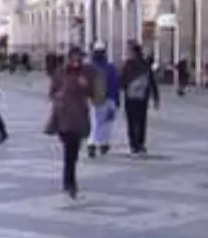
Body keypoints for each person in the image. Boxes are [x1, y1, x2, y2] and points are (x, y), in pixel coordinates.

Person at [46, 46, 105, 199]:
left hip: (79, 116)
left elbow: (97, 96)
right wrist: (59, 95)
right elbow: (52, 92)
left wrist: (87, 86)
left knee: (73, 152)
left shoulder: (88, 73)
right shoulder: (60, 72)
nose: (76, 60)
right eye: (74, 57)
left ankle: (69, 182)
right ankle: (70, 182)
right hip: (62, 115)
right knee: (68, 151)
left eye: (79, 57)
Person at [119, 42, 159, 155]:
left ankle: (134, 145)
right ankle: (140, 143)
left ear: (133, 52)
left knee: (132, 122)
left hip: (130, 98)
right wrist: (155, 98)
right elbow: (152, 82)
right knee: (141, 121)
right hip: (142, 98)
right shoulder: (145, 65)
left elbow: (122, 81)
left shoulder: (128, 64)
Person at [87, 44, 120, 158]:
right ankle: (103, 143)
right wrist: (116, 99)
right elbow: (115, 84)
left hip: (92, 99)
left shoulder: (89, 67)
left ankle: (92, 143)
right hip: (108, 98)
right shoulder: (110, 67)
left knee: (94, 121)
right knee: (107, 122)